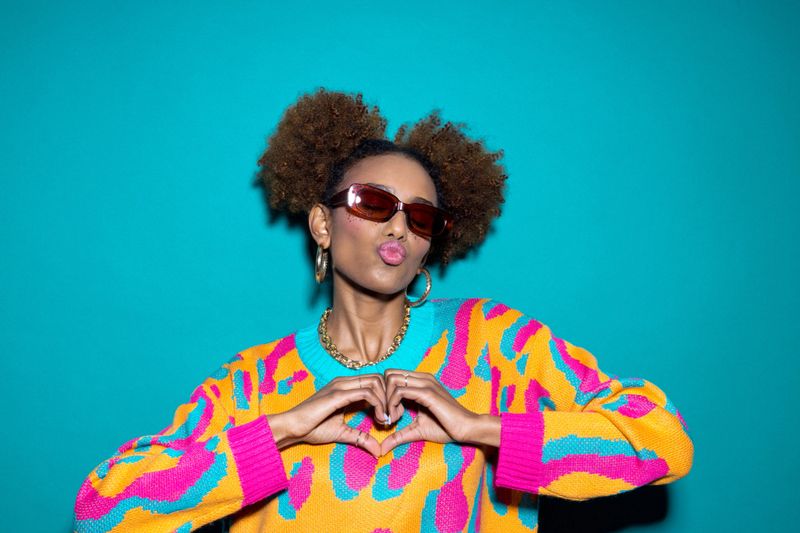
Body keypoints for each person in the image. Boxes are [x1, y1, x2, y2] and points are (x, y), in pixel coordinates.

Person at [73, 89, 693, 532]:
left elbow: (663, 440)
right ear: (322, 222)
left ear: (429, 242)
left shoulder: (498, 343)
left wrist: (481, 428)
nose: (399, 221)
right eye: (373, 201)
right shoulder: (254, 383)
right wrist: (282, 430)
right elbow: (102, 511)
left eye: (421, 216)